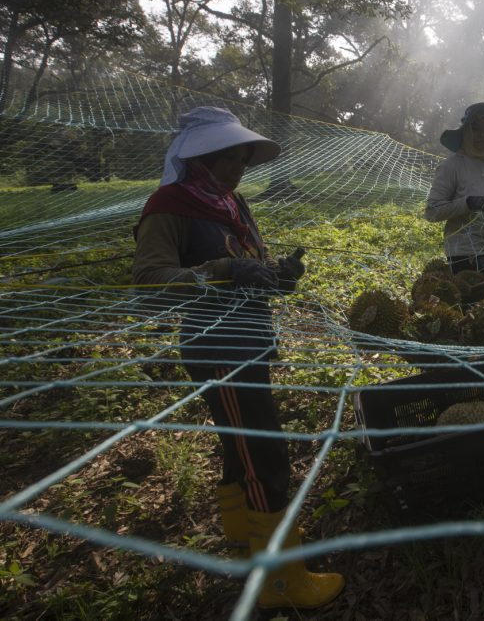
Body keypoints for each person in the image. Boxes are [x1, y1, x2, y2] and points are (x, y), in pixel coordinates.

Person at [132, 106, 344, 611]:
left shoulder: (232, 203)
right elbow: (148, 284)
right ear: (197, 157)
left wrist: (278, 274)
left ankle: (239, 531)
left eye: (242, 157)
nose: (235, 166)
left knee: (239, 444)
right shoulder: (169, 207)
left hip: (250, 341)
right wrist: (223, 269)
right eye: (224, 156)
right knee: (264, 454)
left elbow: (250, 263)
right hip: (219, 350)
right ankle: (280, 581)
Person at [424, 102, 484, 289]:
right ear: (466, 131)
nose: (482, 136)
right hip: (464, 255)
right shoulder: (452, 166)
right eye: (476, 129)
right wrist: (468, 203)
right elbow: (432, 212)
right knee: (469, 314)